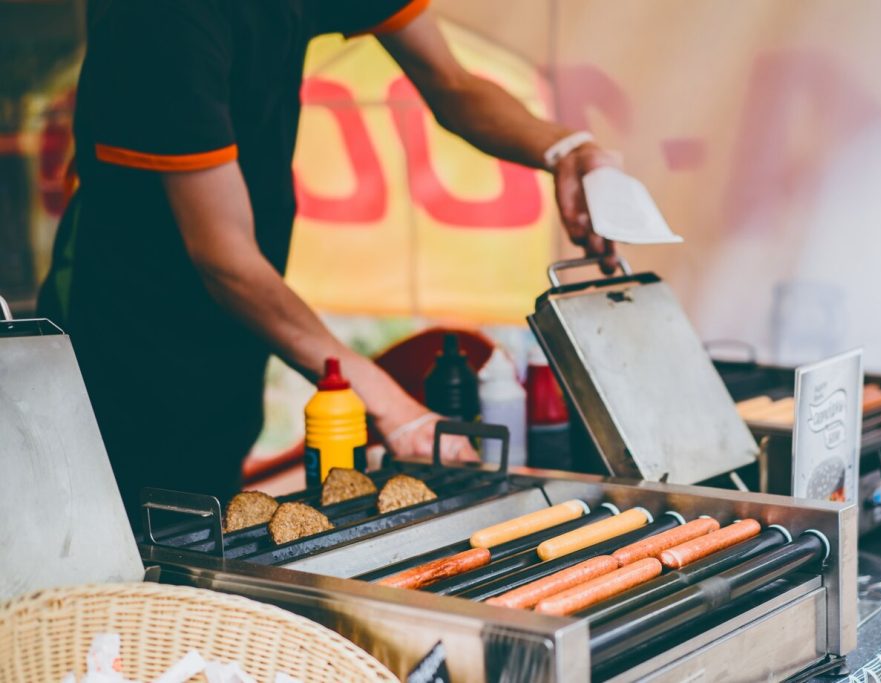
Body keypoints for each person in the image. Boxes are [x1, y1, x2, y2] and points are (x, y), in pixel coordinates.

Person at [38, 0, 617, 523]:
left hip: (234, 324)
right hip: (126, 338)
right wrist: (390, 404)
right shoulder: (162, 18)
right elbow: (224, 257)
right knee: (140, 545)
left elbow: (452, 83)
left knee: (215, 502)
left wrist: (566, 149)